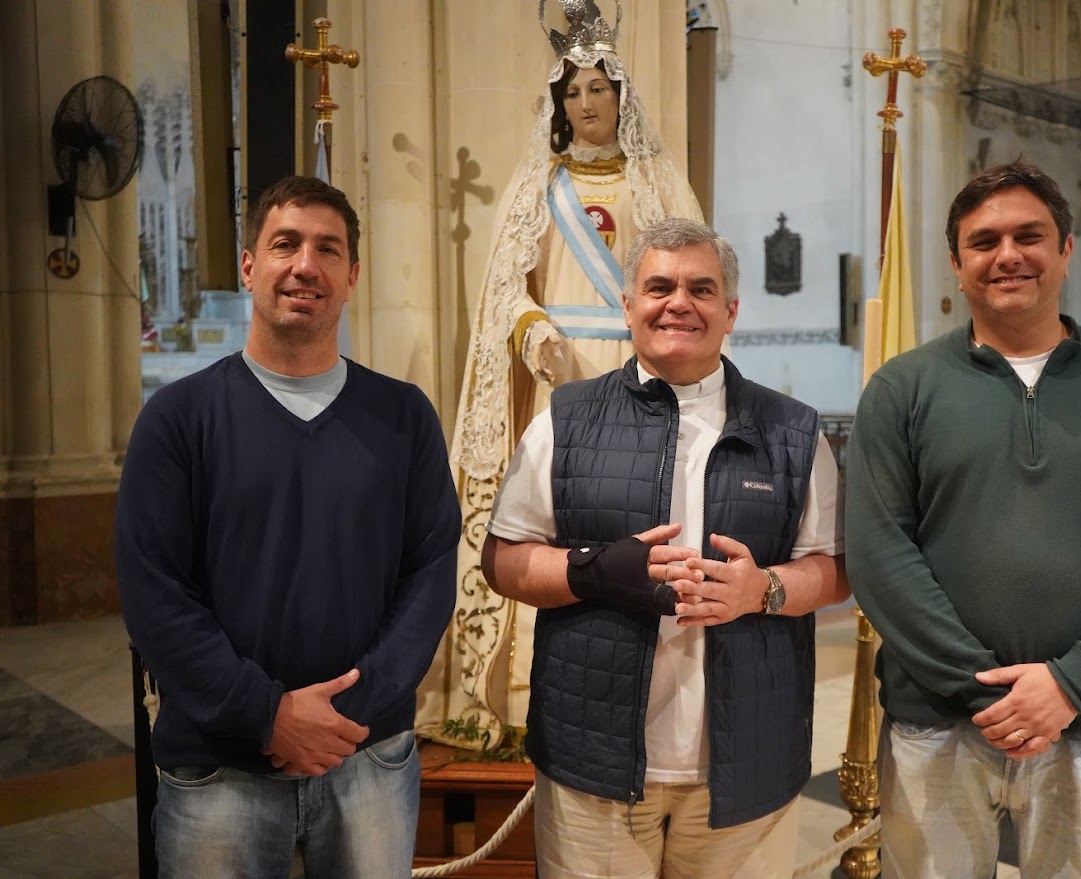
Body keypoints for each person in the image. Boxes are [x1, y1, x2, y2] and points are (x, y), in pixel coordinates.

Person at [846, 159, 1081, 878]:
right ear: (955, 263)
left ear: (1065, 250)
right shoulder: (901, 389)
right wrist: (989, 690)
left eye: (1028, 236)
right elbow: (879, 553)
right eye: (983, 242)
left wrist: (1070, 684)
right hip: (936, 723)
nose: (1006, 255)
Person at [115, 175, 461, 877]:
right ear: (249, 264)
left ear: (351, 275)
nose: (306, 264)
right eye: (285, 243)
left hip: (366, 757)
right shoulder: (178, 421)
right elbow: (155, 595)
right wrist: (267, 713)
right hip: (220, 768)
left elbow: (429, 575)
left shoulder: (403, 417)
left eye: (328, 249)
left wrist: (346, 717)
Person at [482, 218, 848, 879]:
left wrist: (761, 589)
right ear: (628, 305)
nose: (678, 302)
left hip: (745, 770)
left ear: (729, 310)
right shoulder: (564, 419)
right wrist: (592, 571)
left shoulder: (791, 433)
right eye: (658, 286)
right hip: (595, 762)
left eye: (700, 288)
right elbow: (503, 560)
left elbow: (832, 569)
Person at [429, 4, 704, 744]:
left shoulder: (657, 183)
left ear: (621, 96)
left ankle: (652, 687)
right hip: (561, 378)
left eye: (597, 89)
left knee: (643, 515)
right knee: (558, 525)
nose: (585, 104)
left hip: (641, 367)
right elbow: (504, 293)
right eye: (572, 92)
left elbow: (687, 276)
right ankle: (523, 694)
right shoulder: (536, 188)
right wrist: (533, 329)